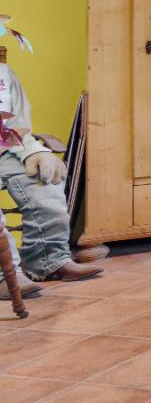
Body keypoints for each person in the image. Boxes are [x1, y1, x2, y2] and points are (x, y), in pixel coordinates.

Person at [0, 62, 105, 296]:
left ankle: (48, 261)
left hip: (5, 148)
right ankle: (5, 274)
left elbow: (18, 125)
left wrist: (33, 150)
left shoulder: (5, 74)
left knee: (45, 179)